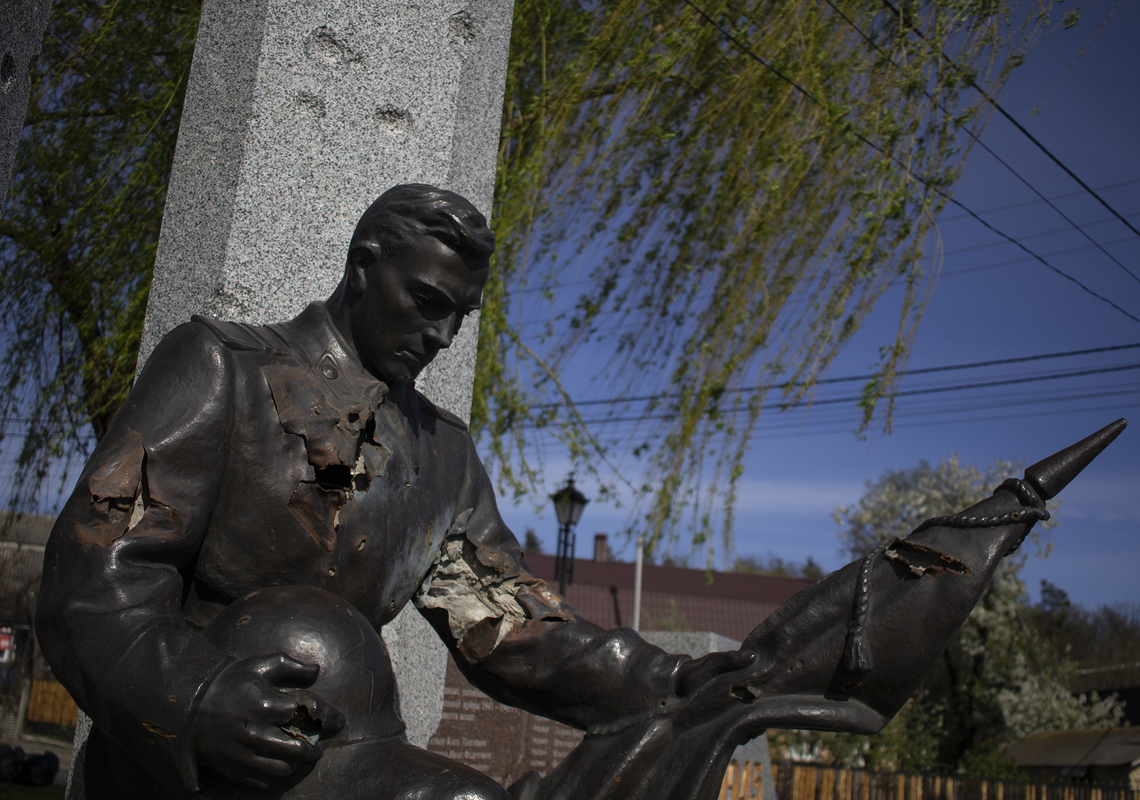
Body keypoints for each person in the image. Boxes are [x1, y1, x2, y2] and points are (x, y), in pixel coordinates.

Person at [36, 184, 1109, 800]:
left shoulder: (443, 457)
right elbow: (94, 581)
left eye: (460, 314)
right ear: (362, 266)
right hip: (181, 768)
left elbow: (515, 630)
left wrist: (689, 684)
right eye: (422, 300)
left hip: (341, 756)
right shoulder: (219, 367)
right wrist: (194, 700)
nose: (440, 333)